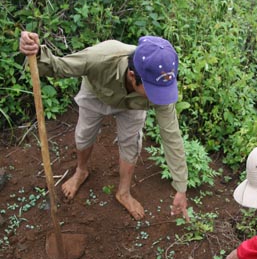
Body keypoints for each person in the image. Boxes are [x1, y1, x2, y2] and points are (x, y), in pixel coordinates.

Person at [20, 32, 188, 221]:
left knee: (131, 143)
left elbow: (171, 136)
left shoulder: (160, 88)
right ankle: (81, 170)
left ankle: (123, 192)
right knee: (84, 135)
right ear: (133, 76)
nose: (160, 97)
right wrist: (35, 51)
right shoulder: (100, 57)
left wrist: (181, 188)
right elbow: (57, 66)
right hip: (97, 93)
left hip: (133, 105)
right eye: (153, 91)